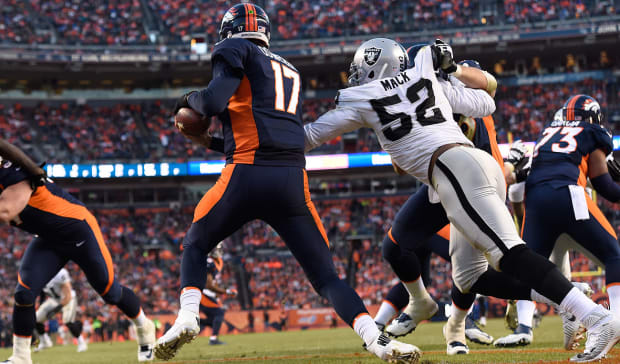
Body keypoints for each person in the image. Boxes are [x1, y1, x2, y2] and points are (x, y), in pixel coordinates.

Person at [303, 37, 620, 362]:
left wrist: (264, 139)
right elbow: (487, 103)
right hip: (462, 172)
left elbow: (311, 135)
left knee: (510, 256)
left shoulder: (365, 98)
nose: (356, 76)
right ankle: (422, 302)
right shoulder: (426, 80)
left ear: (376, 67)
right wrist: (449, 80)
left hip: (454, 170)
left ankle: (595, 317)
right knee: (436, 263)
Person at [154, 4, 419, 363]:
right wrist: (211, 143)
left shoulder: (233, 48)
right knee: (327, 277)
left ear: (228, 30)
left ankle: (187, 316)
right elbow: (268, 131)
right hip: (292, 179)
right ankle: (376, 340)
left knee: (197, 244)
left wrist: (185, 102)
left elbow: (212, 102)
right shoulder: (290, 68)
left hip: (246, 173)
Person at [376, 51, 523, 355]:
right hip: (444, 189)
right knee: (407, 248)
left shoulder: (469, 101)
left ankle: (459, 324)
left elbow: (487, 86)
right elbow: (399, 165)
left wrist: (452, 72)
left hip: (476, 188)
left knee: (473, 270)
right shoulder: (433, 101)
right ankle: (433, 315)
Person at [0, 145, 156, 364]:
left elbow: (6, 211)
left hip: (78, 229)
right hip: (48, 238)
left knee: (110, 292)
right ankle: (21, 357)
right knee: (23, 294)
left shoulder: (13, 172)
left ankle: (144, 326)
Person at [495, 95, 620, 354]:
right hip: (569, 195)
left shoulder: (546, 133)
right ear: (594, 117)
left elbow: (523, 178)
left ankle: (550, 315)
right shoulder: (593, 131)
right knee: (613, 254)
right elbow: (606, 188)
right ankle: (615, 321)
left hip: (537, 203)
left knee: (529, 270)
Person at [33, 268, 88, 353]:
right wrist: (41, 305)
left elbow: (68, 295)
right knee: (36, 318)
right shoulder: (40, 274)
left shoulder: (60, 273)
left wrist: (55, 310)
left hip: (68, 298)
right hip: (54, 299)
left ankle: (81, 342)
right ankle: (45, 341)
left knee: (67, 321)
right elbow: (43, 292)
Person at [198, 246, 236, 345]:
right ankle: (213, 339)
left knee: (212, 321)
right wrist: (226, 292)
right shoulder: (209, 262)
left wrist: (219, 293)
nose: (217, 251)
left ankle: (192, 322)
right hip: (204, 294)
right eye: (216, 249)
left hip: (206, 293)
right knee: (219, 314)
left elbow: (212, 283)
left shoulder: (215, 262)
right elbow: (209, 285)